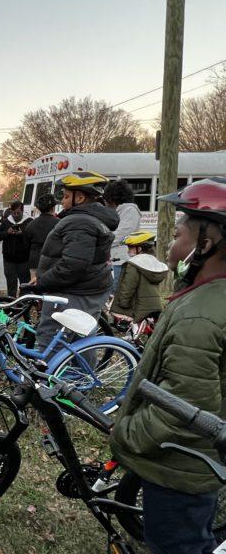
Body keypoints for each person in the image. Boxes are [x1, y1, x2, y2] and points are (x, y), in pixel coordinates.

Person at [110, 178, 226, 554]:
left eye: (177, 235)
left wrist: (127, 434)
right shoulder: (207, 295)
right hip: (198, 465)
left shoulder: (201, 317)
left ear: (205, 244)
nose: (170, 243)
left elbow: (184, 409)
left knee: (179, 545)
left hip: (179, 468)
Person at [30, 171, 118, 353]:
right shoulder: (89, 219)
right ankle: (79, 380)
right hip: (84, 289)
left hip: (73, 292)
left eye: (66, 196)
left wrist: (43, 281)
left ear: (80, 198)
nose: (62, 200)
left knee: (53, 343)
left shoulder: (79, 221)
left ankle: (56, 381)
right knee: (79, 341)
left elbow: (73, 265)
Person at [110, 231, 167, 323]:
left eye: (130, 247)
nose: (128, 250)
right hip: (155, 304)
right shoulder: (154, 262)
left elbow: (128, 286)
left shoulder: (133, 264)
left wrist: (123, 303)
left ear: (139, 248)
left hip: (138, 307)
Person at [104, 180, 141, 291]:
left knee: (114, 294)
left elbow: (122, 235)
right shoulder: (118, 211)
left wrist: (101, 240)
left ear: (112, 199)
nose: (104, 202)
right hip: (112, 260)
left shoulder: (130, 210)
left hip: (120, 261)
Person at [0, 200, 32, 297]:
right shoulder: (6, 222)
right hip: (9, 260)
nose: (16, 215)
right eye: (14, 212)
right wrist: (7, 233)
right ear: (11, 211)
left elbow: (33, 238)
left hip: (24, 259)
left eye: (18, 213)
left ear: (22, 211)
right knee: (11, 284)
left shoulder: (29, 222)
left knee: (25, 284)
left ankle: (23, 304)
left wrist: (22, 233)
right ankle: (11, 303)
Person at [22, 193, 59, 282]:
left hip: (35, 261)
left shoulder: (30, 225)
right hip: (54, 262)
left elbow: (26, 246)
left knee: (35, 287)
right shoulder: (60, 224)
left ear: (39, 209)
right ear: (53, 208)